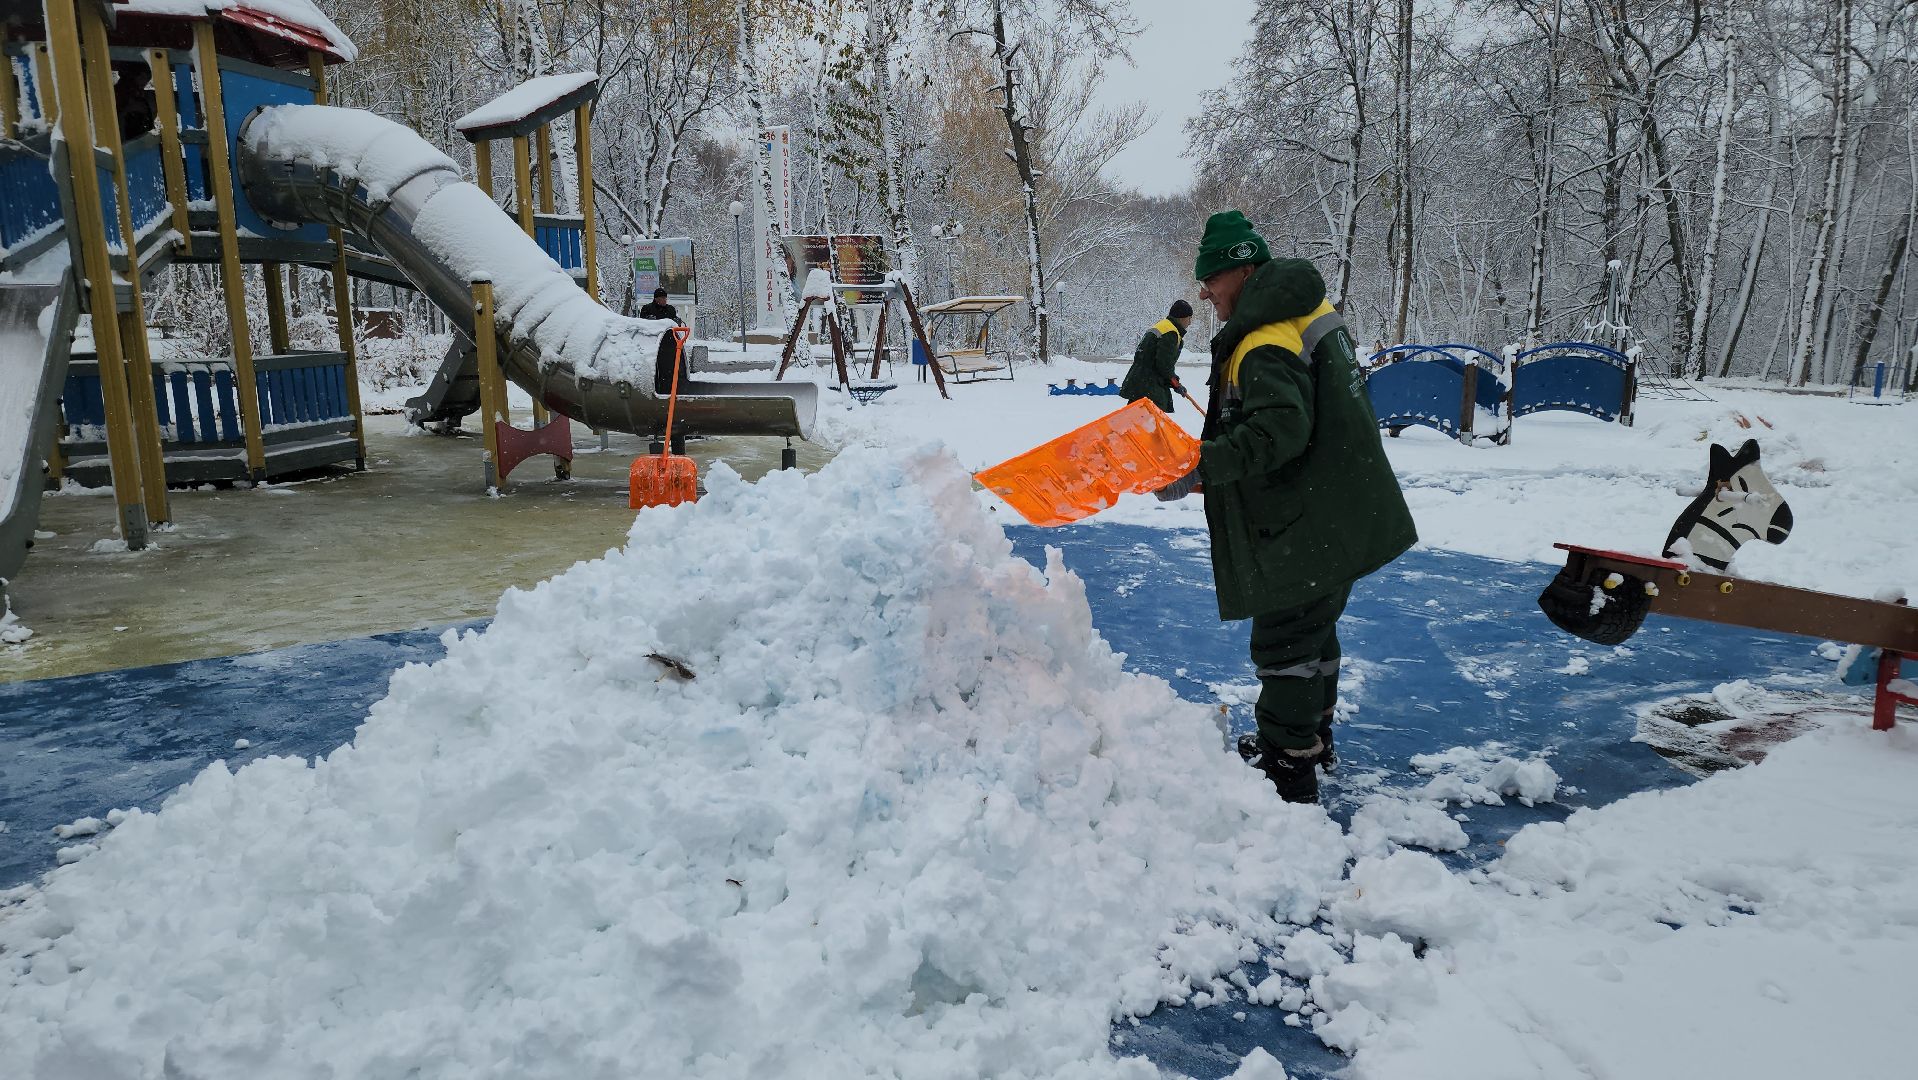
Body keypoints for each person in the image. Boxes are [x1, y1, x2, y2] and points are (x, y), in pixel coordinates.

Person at [1156, 210, 1416, 805]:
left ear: (1243, 271)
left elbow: (1278, 434)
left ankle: (1287, 769)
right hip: (1337, 509)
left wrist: (1202, 466)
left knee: (1285, 644)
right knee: (1315, 635)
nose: (1204, 292)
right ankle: (1311, 742)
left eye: (1212, 279)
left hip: (1306, 521)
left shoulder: (1264, 337)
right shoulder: (1304, 312)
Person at [1121, 300, 1194, 413]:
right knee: (1149, 425)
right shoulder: (1171, 333)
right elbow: (1164, 365)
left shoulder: (1163, 326)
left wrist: (1175, 383)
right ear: (1182, 317)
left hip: (1139, 384)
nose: (1190, 322)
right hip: (1150, 388)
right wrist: (1176, 384)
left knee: (1135, 422)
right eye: (1189, 318)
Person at [642, 289, 687, 394]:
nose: (664, 300)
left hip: (670, 345)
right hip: (655, 346)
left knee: (670, 370)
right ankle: (659, 390)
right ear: (656, 299)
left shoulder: (670, 309)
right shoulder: (647, 309)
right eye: (662, 298)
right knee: (658, 370)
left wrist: (677, 322)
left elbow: (675, 325)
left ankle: (671, 390)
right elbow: (643, 325)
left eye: (665, 298)